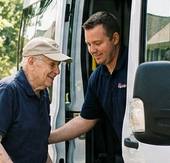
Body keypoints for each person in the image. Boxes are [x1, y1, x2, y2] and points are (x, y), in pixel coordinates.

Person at [48, 11, 128, 144]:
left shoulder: (135, 66)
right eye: (89, 44)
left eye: (97, 43)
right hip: (127, 152)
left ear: (115, 39)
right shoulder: (97, 77)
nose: (92, 50)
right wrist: (46, 139)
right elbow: (85, 120)